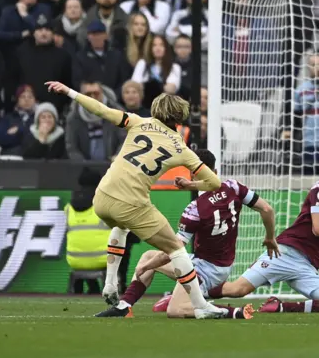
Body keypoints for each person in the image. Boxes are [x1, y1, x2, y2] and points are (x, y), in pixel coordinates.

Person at [45, 80, 226, 319]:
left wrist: (69, 91)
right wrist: (191, 184)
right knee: (175, 248)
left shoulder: (139, 122)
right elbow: (214, 183)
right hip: (130, 202)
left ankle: (110, 283)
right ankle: (201, 306)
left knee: (121, 225)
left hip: (102, 198)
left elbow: (101, 110)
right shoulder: (181, 147)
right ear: (179, 117)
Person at [95, 149, 277, 319]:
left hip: (204, 270)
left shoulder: (194, 209)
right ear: (215, 169)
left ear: (192, 171)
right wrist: (270, 237)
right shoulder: (234, 187)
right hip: (223, 266)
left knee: (174, 309)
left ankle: (233, 312)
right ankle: (124, 306)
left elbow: (174, 250)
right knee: (148, 256)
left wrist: (144, 268)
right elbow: (267, 209)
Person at [205, 151, 319, 314]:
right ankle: (192, 293)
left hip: (307, 267)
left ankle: (279, 306)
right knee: (238, 290)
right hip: (284, 253)